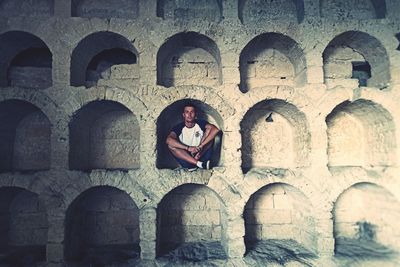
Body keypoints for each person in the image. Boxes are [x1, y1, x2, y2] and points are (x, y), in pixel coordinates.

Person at [166, 103, 220, 170]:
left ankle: (200, 162)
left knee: (210, 133)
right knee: (171, 145)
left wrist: (200, 147)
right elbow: (168, 140)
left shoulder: (200, 123)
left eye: (192, 112)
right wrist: (188, 148)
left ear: (195, 114)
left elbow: (215, 130)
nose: (189, 115)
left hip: (201, 155)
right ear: (183, 115)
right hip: (187, 159)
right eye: (187, 112)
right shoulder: (179, 127)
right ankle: (197, 164)